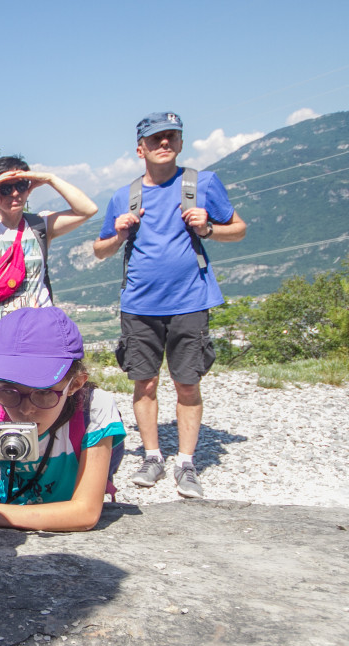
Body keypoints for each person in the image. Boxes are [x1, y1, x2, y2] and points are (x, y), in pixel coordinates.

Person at [92, 112, 247, 499]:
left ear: (179, 143)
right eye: (156, 138)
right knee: (143, 382)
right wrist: (121, 232)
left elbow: (239, 230)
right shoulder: (123, 197)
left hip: (191, 300)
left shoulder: (202, 184)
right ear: (140, 148)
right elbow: (99, 250)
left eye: (171, 137)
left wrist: (208, 228)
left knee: (187, 382)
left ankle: (186, 462)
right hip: (140, 303)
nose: (165, 144)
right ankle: (152, 455)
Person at [0, 307, 125, 531]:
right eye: (8, 390)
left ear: (75, 384)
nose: (25, 409)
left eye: (43, 393)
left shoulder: (93, 409)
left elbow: (85, 512)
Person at [0, 156, 98, 420]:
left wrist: (48, 179)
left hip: (37, 337)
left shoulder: (40, 225)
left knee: (32, 409)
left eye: (21, 185)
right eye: (4, 188)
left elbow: (87, 210)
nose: (14, 193)